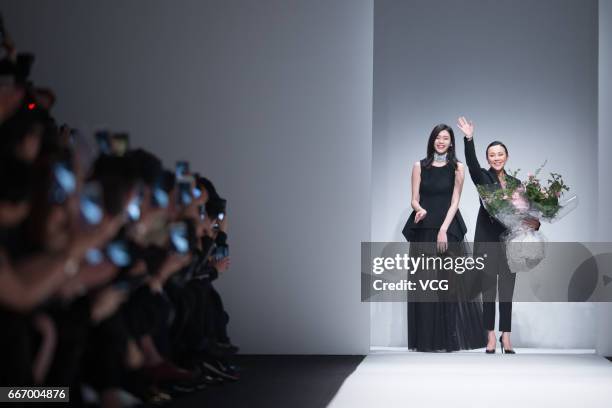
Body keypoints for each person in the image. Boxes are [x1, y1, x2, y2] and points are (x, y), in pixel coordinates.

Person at [458, 116, 539, 354]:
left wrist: (535, 223)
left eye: (500, 154)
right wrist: (469, 138)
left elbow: (525, 212)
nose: (496, 157)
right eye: (492, 154)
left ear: (507, 156)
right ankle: (490, 336)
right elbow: (471, 164)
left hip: (510, 241)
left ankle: (506, 335)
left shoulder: (516, 183)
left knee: (507, 288)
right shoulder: (483, 178)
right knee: (488, 290)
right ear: (488, 158)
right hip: (486, 239)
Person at [402, 124, 487, 352]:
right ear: (432, 141)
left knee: (448, 284)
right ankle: (426, 340)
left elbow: (455, 201)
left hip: (447, 229)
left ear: (451, 143)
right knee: (425, 284)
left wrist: (443, 229)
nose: (441, 141)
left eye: (446, 138)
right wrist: (418, 208)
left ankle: (448, 339)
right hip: (424, 227)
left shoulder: (458, 167)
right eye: (438, 137)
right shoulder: (419, 166)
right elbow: (414, 198)